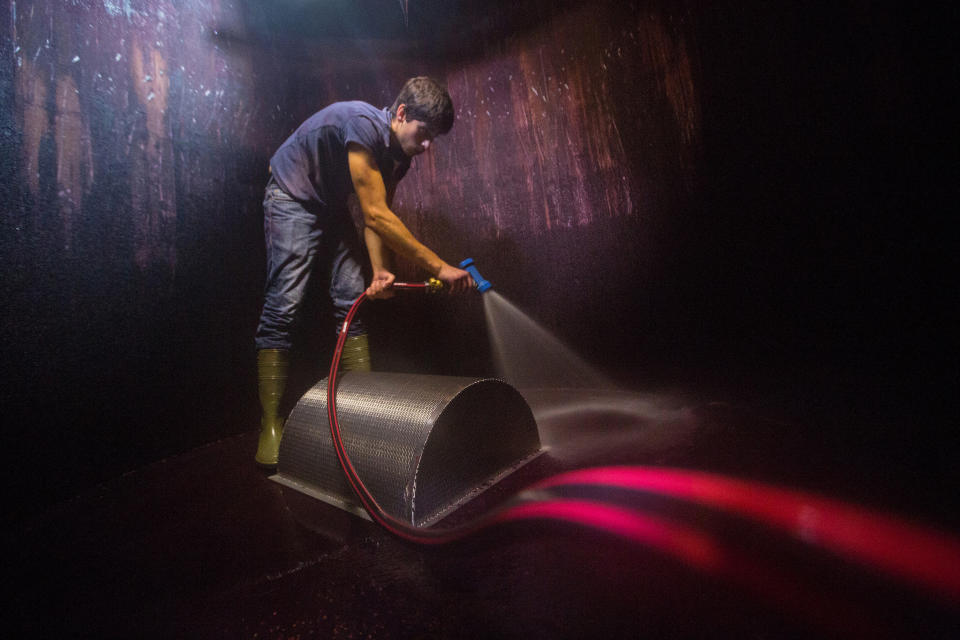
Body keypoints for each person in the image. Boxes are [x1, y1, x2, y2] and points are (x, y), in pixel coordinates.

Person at [253, 77, 474, 468]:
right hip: (290, 195)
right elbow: (373, 213)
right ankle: (271, 424)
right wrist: (439, 267)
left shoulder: (398, 157)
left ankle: (361, 418)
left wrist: (379, 270)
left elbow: (378, 218)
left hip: (328, 204)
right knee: (284, 304)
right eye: (424, 133)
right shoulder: (362, 124)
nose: (427, 147)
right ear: (401, 114)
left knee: (354, 295)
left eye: (434, 139)